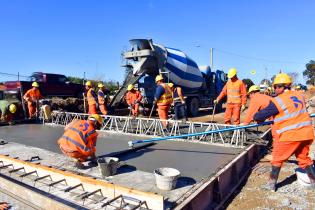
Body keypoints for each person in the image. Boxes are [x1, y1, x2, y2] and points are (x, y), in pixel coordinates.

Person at [253, 73, 315, 191]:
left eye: (275, 87)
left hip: (290, 135)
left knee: (277, 159)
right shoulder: (299, 95)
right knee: (304, 159)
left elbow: (262, 115)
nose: (274, 90)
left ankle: (271, 185)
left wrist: (256, 116)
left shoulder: (279, 100)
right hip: (306, 133)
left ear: (281, 87)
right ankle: (313, 182)